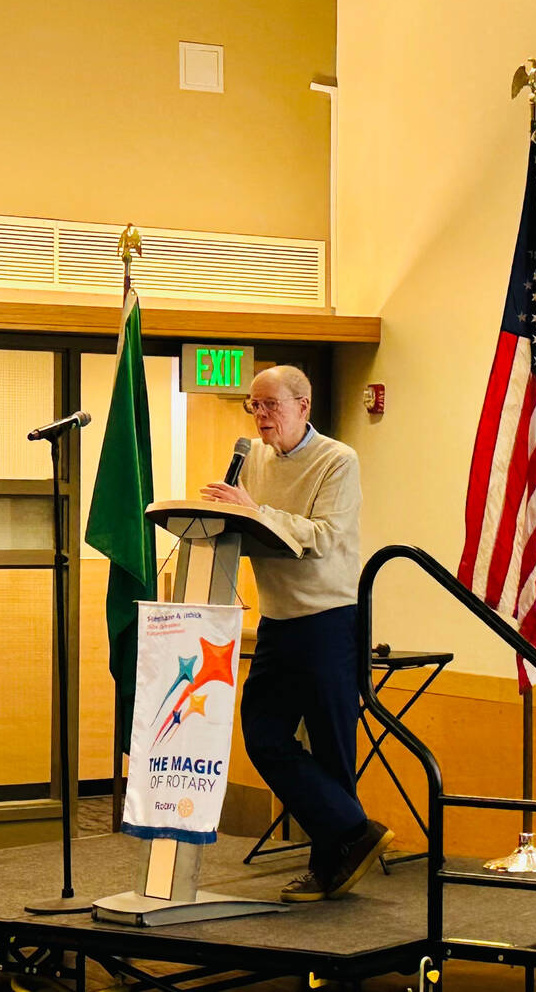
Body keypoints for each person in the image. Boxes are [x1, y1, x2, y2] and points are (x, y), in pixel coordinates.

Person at [201, 364, 390, 901]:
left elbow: (327, 537)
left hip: (329, 620)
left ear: (303, 406)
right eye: (253, 406)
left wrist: (254, 511)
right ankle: (356, 831)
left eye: (270, 405)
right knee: (262, 735)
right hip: (278, 622)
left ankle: (327, 869)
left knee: (332, 750)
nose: (260, 416)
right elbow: (252, 525)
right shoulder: (252, 459)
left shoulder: (337, 460)